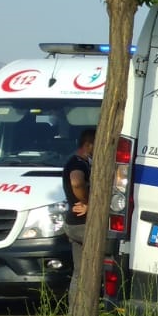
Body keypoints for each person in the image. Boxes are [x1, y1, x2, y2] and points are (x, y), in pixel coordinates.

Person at [62, 128, 96, 306]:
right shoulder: (78, 163)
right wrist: (90, 204)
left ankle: (75, 312)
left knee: (79, 271)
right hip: (82, 224)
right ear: (88, 144)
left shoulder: (79, 161)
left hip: (72, 222)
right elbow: (76, 181)